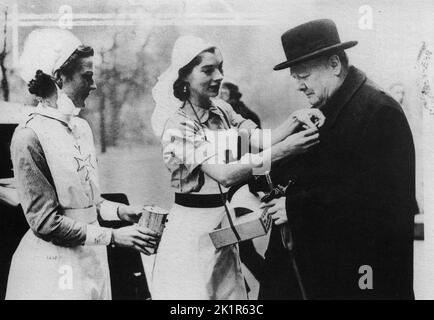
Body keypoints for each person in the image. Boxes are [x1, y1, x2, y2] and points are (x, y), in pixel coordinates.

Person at [150, 35, 325, 300]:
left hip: (223, 225)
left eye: (220, 67)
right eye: (208, 70)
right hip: (190, 232)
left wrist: (295, 119)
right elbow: (225, 174)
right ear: (184, 76)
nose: (218, 76)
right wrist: (286, 149)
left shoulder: (222, 110)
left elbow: (258, 140)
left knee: (229, 298)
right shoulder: (178, 127)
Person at [258, 19, 417, 299]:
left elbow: (385, 205)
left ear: (334, 64)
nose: (299, 86)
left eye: (303, 75)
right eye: (295, 77)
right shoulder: (332, 106)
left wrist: (295, 207)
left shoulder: (380, 111)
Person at [6, 29, 159, 300]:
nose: (94, 85)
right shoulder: (29, 136)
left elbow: (90, 203)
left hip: (91, 259)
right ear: (58, 77)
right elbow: (46, 223)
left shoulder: (81, 127)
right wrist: (114, 238)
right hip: (52, 269)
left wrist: (124, 212)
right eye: (87, 76)